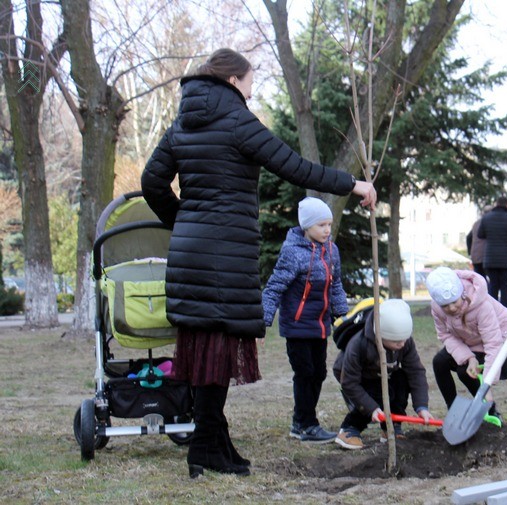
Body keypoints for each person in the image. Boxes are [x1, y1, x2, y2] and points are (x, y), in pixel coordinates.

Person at [141, 48, 377, 478]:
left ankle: (212, 442)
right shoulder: (237, 120)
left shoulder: (183, 123)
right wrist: (353, 184)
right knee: (215, 352)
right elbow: (296, 168)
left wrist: (185, 222)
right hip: (224, 255)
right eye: (250, 82)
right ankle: (205, 449)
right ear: (233, 82)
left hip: (191, 252)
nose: (252, 91)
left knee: (206, 351)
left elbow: (151, 181)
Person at [262, 197, 348, 444]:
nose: (327, 230)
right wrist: (264, 319)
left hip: (320, 325)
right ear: (307, 226)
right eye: (321, 225)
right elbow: (275, 286)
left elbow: (336, 284)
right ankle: (306, 424)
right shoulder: (292, 252)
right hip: (297, 325)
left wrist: (342, 314)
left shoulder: (332, 251)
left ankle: (301, 421)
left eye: (329, 224)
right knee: (305, 372)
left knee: (319, 372)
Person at [333, 299, 434, 450]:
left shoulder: (405, 343)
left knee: (401, 381)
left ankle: (391, 427)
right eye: (396, 342)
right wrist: (371, 408)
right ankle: (349, 429)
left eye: (404, 340)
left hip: (384, 372)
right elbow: (349, 382)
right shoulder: (358, 344)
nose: (401, 344)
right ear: (380, 337)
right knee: (374, 395)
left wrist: (422, 407)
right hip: (353, 376)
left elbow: (416, 372)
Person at [426, 267, 507, 422]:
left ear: (461, 293)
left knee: (465, 372)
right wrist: (469, 357)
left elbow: (493, 343)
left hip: (500, 339)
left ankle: (491, 410)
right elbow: (445, 334)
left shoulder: (481, 305)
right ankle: (454, 412)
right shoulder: (437, 308)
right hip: (469, 341)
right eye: (445, 306)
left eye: (454, 302)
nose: (451, 308)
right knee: (439, 362)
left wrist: (486, 386)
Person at [477, 196, 507, 308]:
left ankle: (493, 311)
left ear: (496, 204)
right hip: (506, 259)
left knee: (493, 286)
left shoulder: (486, 218)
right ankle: (504, 311)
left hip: (490, 258)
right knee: (504, 286)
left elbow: (480, 234)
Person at [466, 205, 493, 279]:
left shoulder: (476, 223)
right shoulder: (490, 223)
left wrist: (470, 252)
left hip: (475, 256)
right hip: (486, 256)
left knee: (480, 279)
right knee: (491, 280)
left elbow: (468, 237)